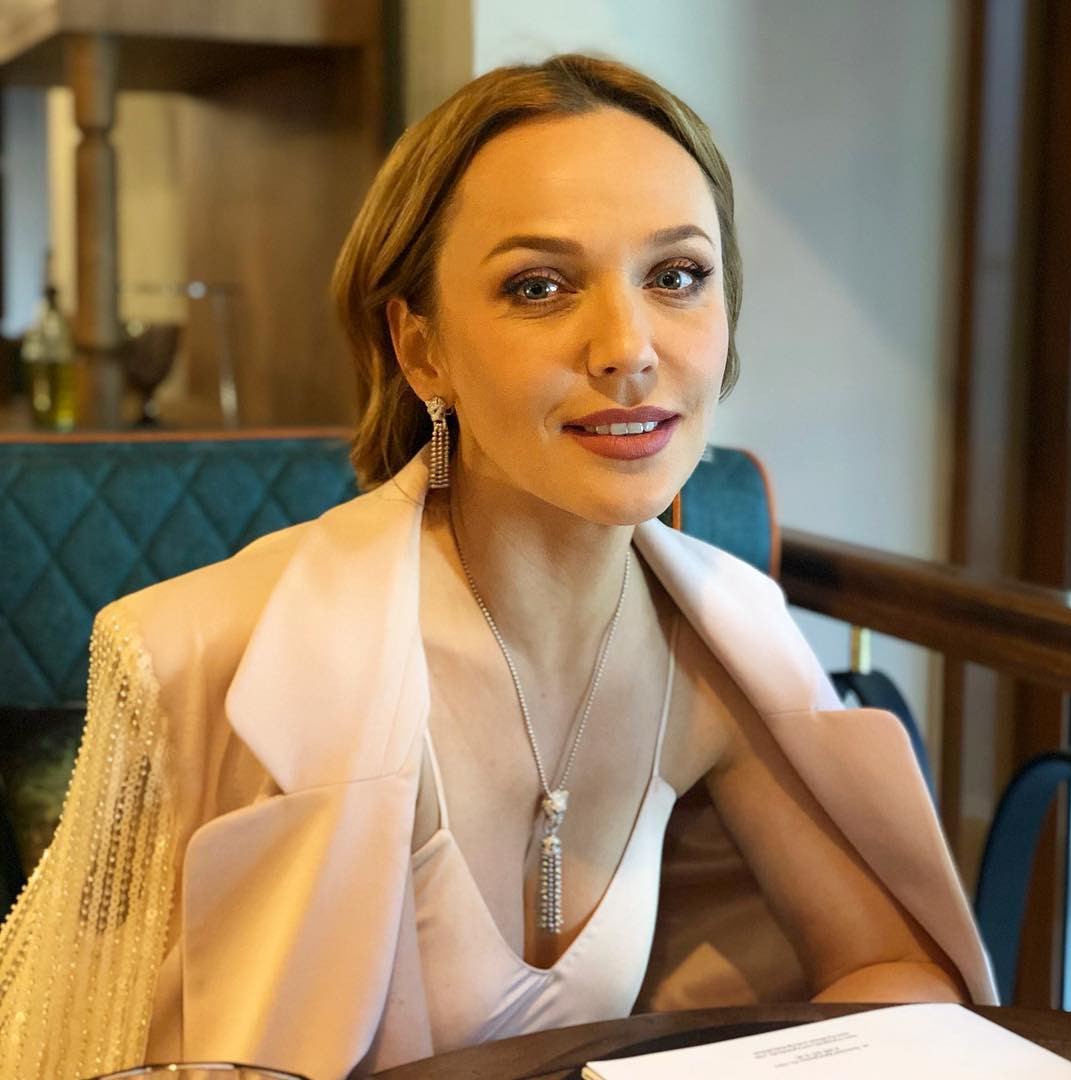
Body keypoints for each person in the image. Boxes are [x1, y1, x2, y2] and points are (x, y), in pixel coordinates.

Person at [0, 54, 995, 1080]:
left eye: (676, 277)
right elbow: (71, 1051)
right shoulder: (203, 656)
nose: (629, 348)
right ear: (420, 350)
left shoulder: (725, 643)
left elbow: (894, 967)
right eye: (540, 287)